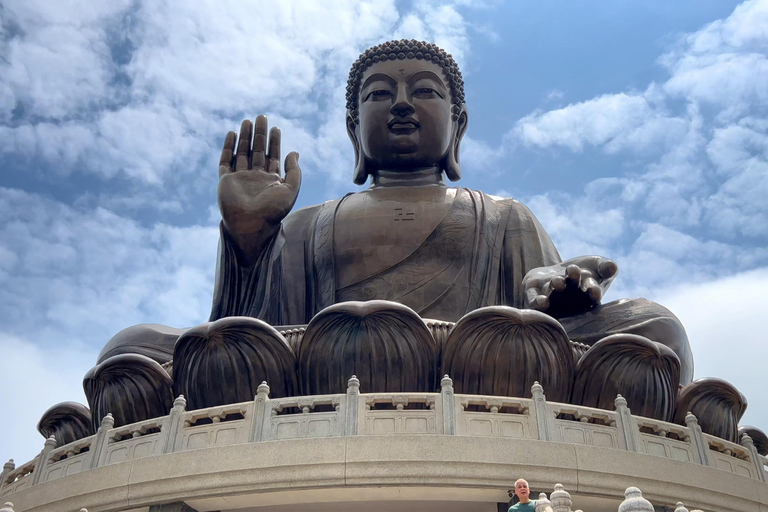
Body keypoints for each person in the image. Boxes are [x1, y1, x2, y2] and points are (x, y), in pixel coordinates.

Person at [210, 39, 693, 383]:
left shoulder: (503, 215)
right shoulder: (305, 223)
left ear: (457, 125)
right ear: (354, 130)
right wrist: (248, 241)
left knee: (656, 327)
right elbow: (248, 336)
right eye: (379, 93)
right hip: (331, 365)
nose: (401, 104)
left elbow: (542, 321)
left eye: (424, 91)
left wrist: (556, 291)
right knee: (138, 343)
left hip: (484, 363)